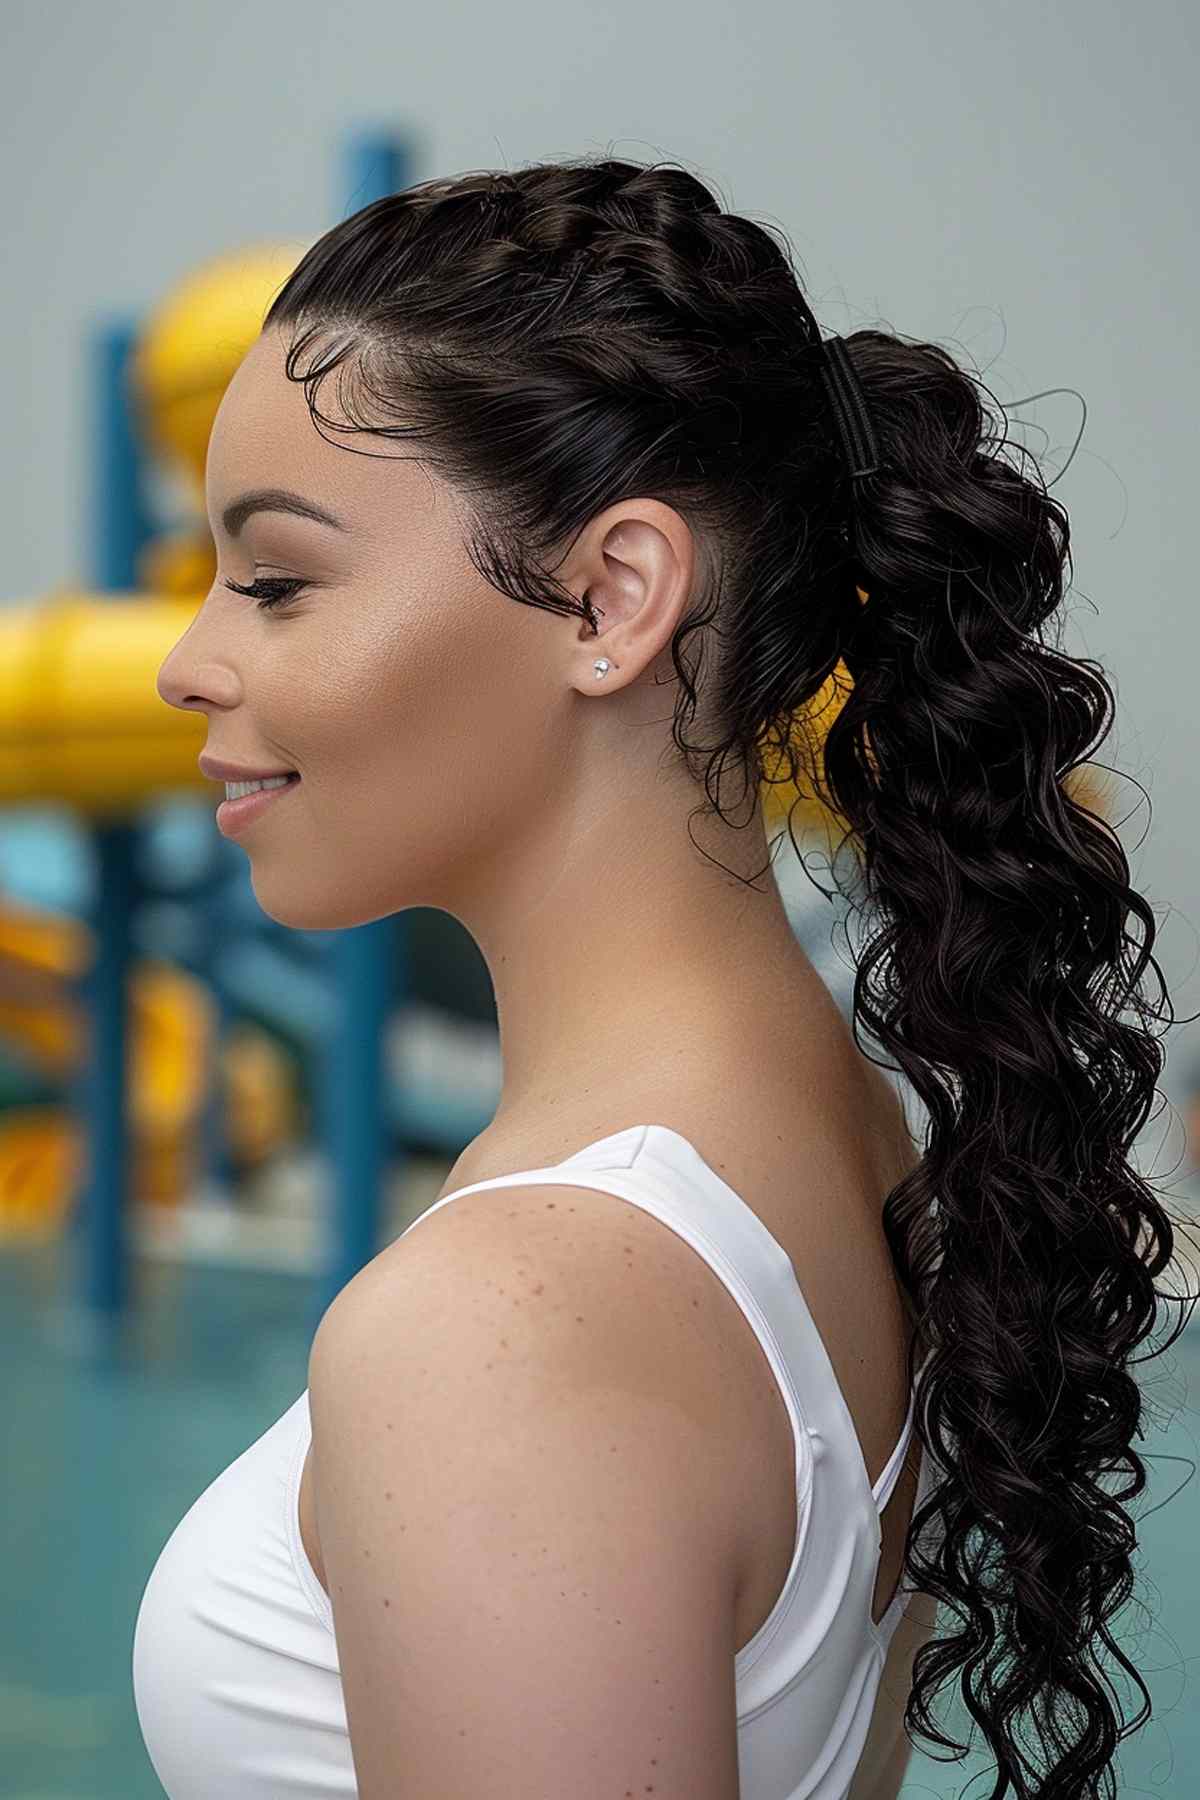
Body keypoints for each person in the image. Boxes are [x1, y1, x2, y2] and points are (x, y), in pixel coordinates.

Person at [138, 155, 1186, 1800]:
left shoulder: (503, 1326)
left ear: (611, 598)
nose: (184, 661)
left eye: (277, 581)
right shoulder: (860, 1142)